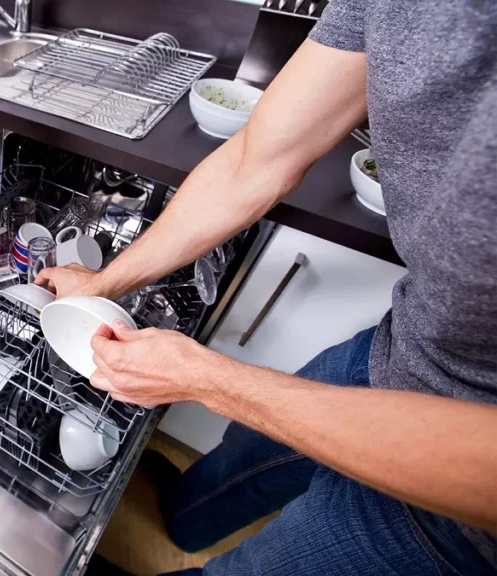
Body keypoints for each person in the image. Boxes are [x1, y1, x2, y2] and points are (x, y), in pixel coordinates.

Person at [38, 0, 497, 573]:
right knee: (247, 457)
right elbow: (254, 161)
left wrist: (211, 380)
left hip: (468, 512)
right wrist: (103, 285)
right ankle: (186, 515)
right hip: (410, 344)